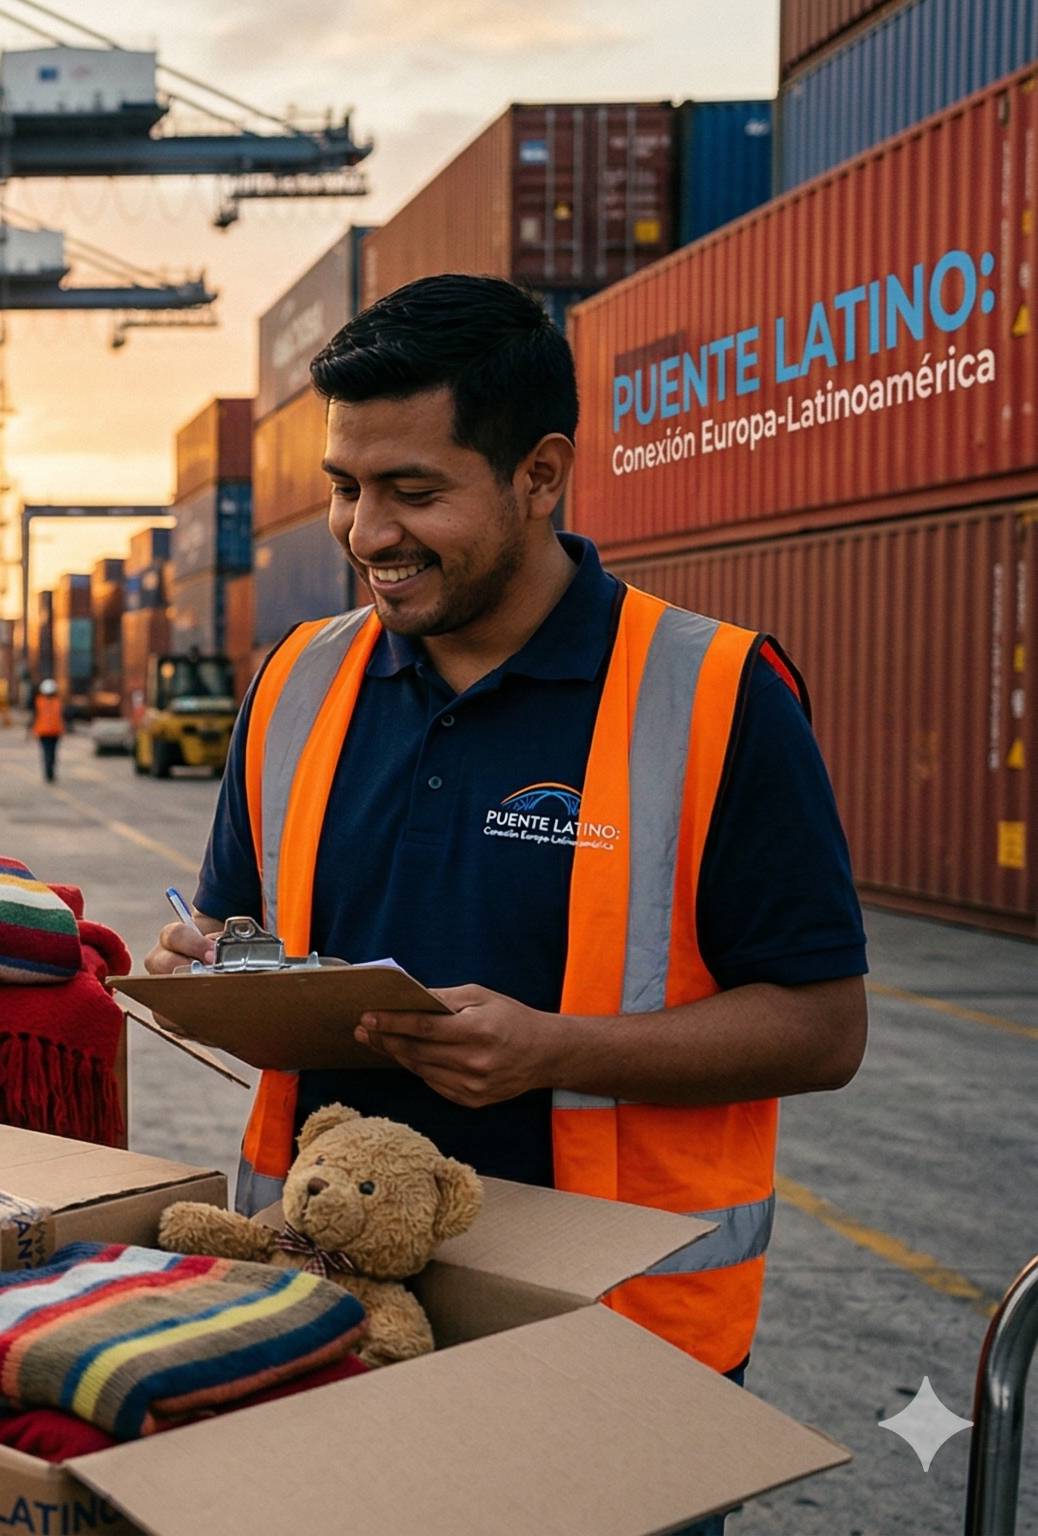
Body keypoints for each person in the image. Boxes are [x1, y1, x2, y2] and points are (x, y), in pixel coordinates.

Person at [147, 276, 865, 1528]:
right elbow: (243, 933)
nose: (366, 532)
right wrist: (214, 971)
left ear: (540, 475)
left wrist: (553, 1053)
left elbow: (822, 1026)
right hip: (323, 1316)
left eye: (414, 491)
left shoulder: (715, 694)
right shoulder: (293, 684)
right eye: (344, 486)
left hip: (613, 1340)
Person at [32, 677, 65, 782]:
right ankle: (49, 773)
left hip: (48, 732)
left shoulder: (40, 701)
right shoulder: (56, 702)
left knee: (48, 753)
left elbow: (35, 716)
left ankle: (49, 772)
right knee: (50, 753)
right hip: (50, 732)